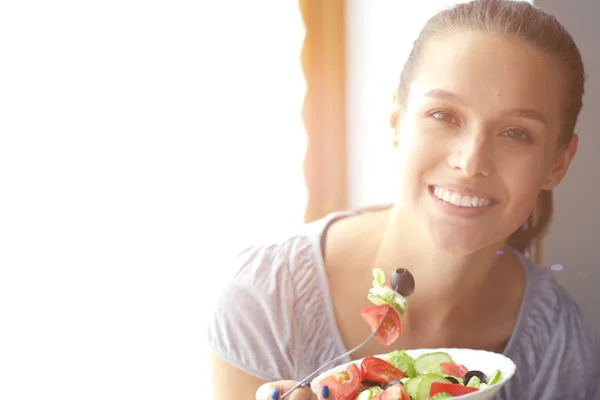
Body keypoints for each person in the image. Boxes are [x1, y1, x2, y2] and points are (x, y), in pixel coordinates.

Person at [206, 0, 600, 399]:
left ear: (557, 163)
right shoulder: (265, 300)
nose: (470, 161)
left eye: (516, 133)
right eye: (444, 115)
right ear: (397, 121)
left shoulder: (559, 346)